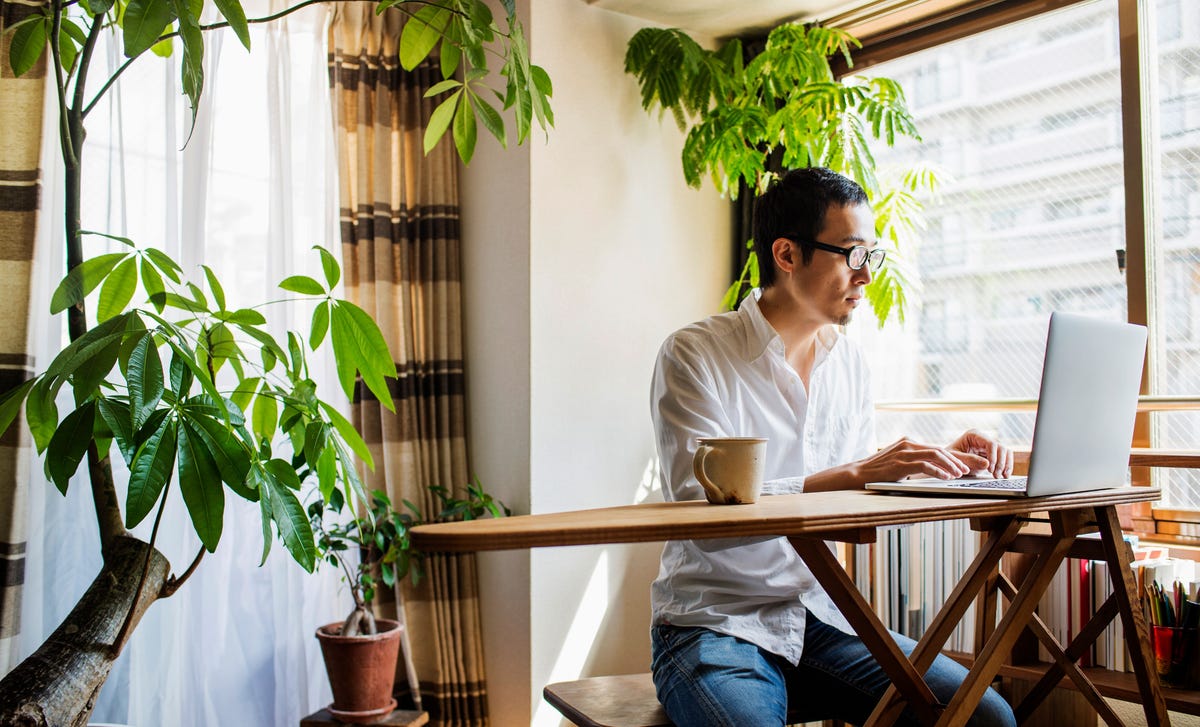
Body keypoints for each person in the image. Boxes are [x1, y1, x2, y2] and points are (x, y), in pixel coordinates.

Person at [648, 167, 1017, 727]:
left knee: (985, 716)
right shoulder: (695, 355)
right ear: (787, 254)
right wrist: (849, 475)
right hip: (713, 623)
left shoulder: (849, 364)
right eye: (851, 255)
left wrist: (943, 464)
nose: (866, 276)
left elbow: (857, 490)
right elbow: (701, 517)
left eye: (872, 256)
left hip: (820, 618)